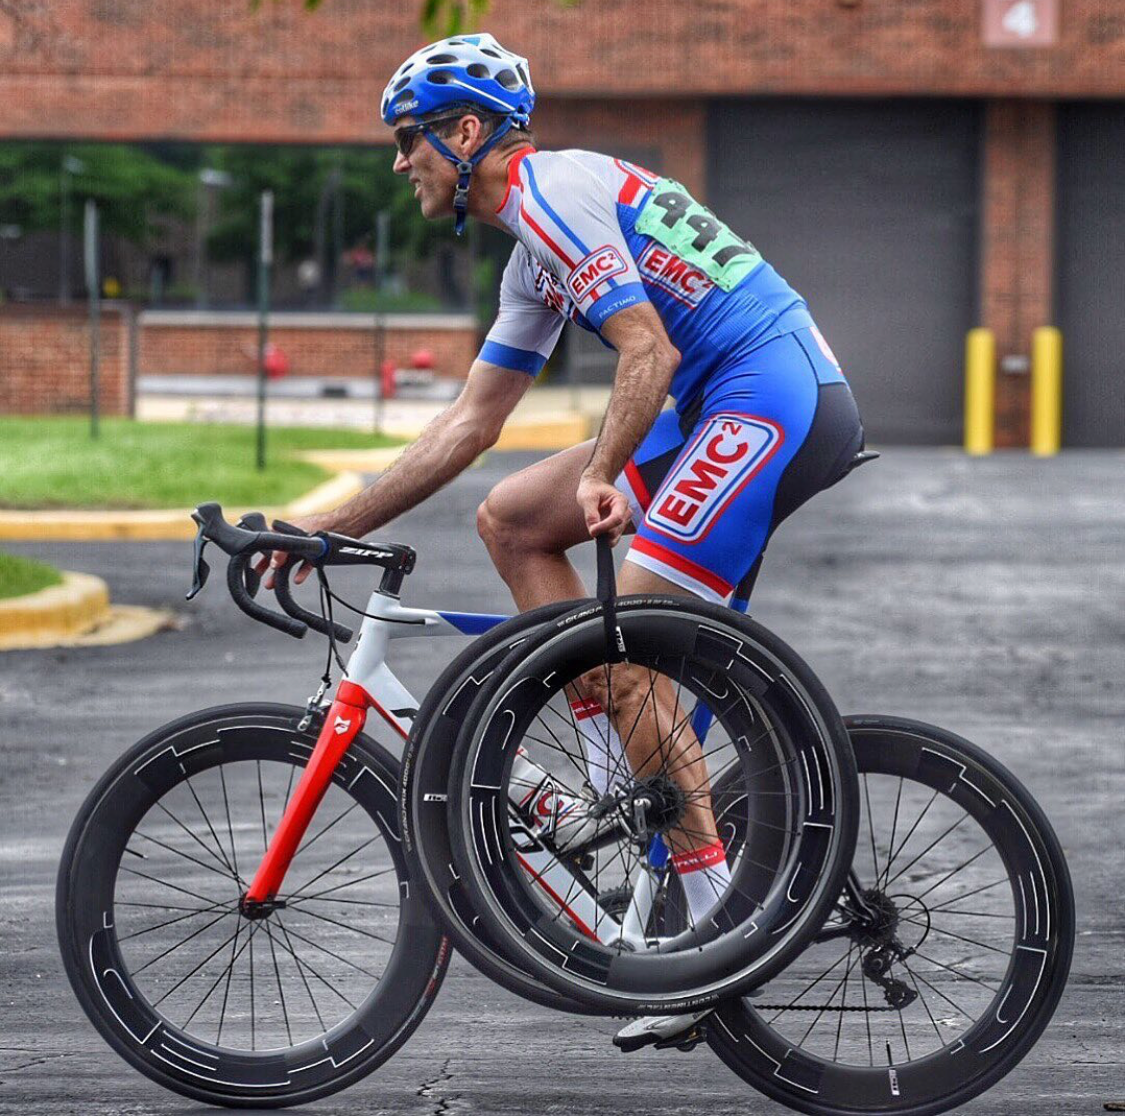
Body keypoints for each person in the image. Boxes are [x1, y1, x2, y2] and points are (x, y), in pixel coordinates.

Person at [262, 32, 865, 1050]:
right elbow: (469, 424)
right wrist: (330, 523)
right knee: (509, 519)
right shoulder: (531, 251)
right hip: (721, 397)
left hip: (770, 393)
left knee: (626, 637)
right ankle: (615, 782)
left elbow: (648, 347)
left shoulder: (550, 195)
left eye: (407, 138)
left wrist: (598, 473)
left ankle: (710, 945)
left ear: (464, 133)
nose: (397, 160)